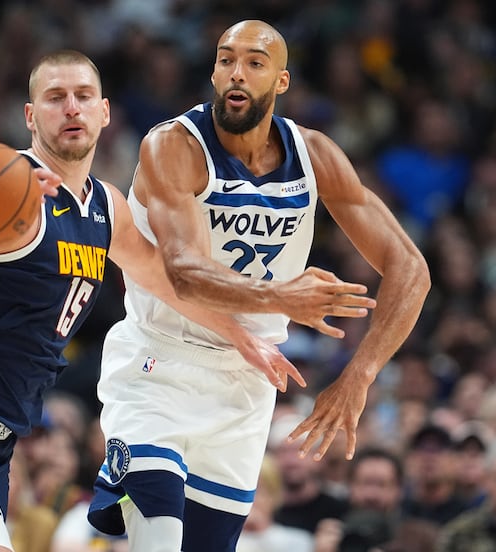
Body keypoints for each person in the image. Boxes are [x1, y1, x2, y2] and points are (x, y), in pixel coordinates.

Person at [0, 49, 354, 552]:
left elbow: (164, 280)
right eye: (55, 97)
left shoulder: (106, 206)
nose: (71, 108)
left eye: (83, 96)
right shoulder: (10, 182)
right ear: (30, 116)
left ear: (104, 113)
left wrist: (243, 338)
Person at [87, 19, 430, 552]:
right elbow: (183, 271)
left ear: (282, 80)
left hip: (248, 380)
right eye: (226, 60)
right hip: (159, 364)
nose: (237, 73)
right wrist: (281, 297)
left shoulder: (315, 155)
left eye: (254, 62)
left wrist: (361, 374)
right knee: (158, 538)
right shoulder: (173, 146)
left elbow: (411, 268)